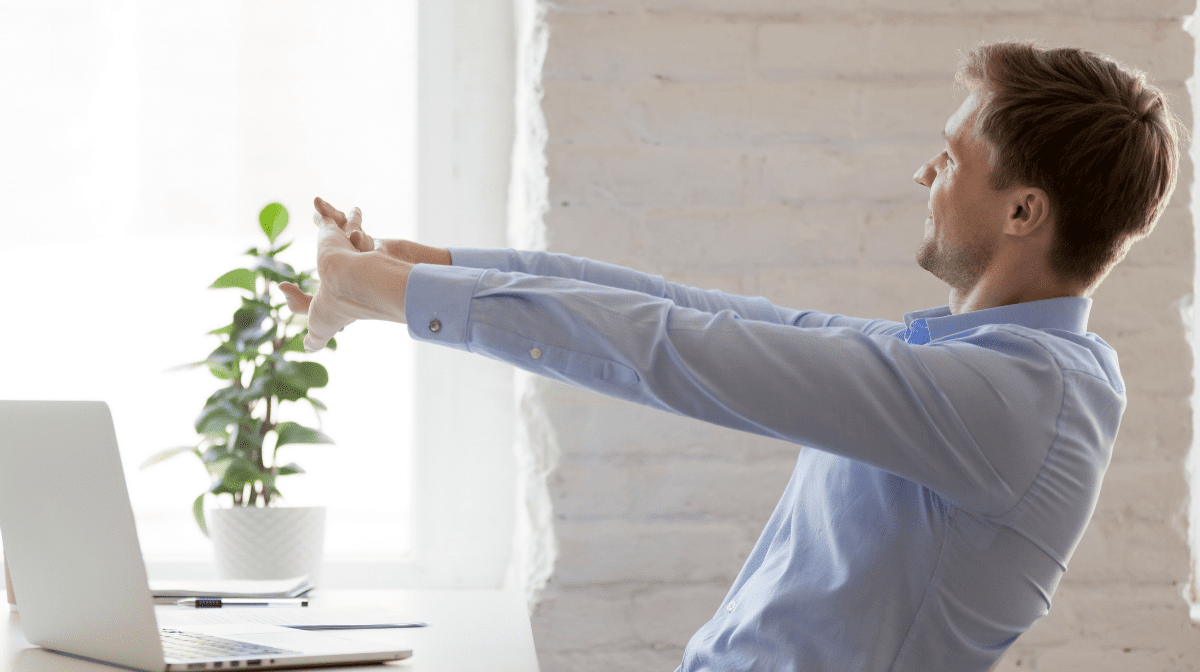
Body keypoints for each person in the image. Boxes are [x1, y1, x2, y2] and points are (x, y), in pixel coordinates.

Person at [279, 41, 1180, 671]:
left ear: (1024, 212)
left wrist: (392, 296)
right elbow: (695, 312)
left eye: (950, 158)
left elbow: (683, 353)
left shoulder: (1012, 397)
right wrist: (412, 268)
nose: (924, 175)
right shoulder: (973, 362)